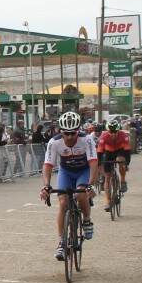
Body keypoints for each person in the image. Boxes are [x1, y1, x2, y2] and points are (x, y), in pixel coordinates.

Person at [39, 111, 98, 261]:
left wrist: (90, 185)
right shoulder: (54, 142)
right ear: (61, 132)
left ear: (78, 131)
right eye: (67, 133)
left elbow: (93, 164)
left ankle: (86, 219)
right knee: (63, 202)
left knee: (80, 194)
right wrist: (46, 186)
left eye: (73, 133)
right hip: (66, 172)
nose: (70, 137)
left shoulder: (87, 140)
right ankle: (61, 241)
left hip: (83, 172)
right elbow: (47, 166)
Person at [96, 120, 132, 213]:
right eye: (111, 132)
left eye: (115, 132)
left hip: (120, 150)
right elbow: (99, 152)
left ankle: (123, 180)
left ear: (118, 130)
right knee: (107, 176)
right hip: (109, 151)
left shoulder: (124, 136)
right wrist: (99, 164)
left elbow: (127, 152)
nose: (113, 134)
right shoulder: (104, 137)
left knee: (120, 160)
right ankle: (108, 202)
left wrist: (126, 164)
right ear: (108, 131)